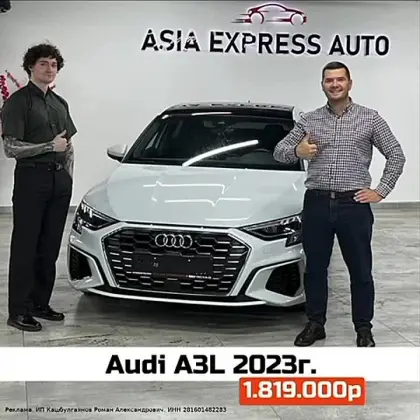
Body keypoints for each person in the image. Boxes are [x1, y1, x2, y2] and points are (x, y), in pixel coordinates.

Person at [273, 61, 405, 347]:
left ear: (349, 83)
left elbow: (396, 154)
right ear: (322, 85)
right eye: (329, 80)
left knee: (360, 270)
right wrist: (297, 150)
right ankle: (315, 324)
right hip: (317, 203)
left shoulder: (370, 118)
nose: (335, 84)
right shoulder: (309, 120)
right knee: (315, 268)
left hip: (353, 205)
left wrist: (381, 191)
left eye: (340, 79)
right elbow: (279, 152)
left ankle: (363, 328)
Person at [0, 43, 77, 332]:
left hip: (59, 182)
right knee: (26, 246)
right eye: (43, 63)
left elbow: (68, 146)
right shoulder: (18, 102)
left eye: (54, 64)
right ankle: (18, 310)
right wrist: (48, 147)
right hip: (31, 180)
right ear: (31, 66)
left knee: (49, 246)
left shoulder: (60, 103)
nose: (49, 68)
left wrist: (68, 179)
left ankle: (39, 303)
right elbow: (10, 148)